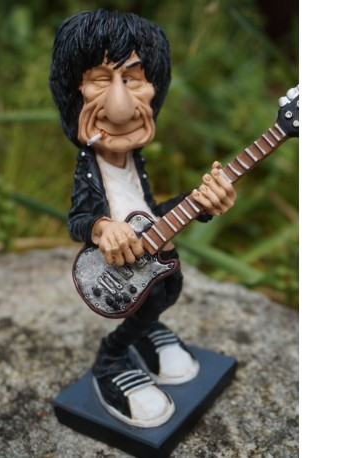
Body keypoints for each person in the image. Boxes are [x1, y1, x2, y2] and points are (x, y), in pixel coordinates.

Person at [49, 8, 236, 428]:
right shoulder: (90, 167)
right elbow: (78, 218)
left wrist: (199, 202)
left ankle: (145, 330)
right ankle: (112, 358)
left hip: (149, 262)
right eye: (100, 81)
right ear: (74, 91)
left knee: (166, 291)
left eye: (132, 79)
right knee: (152, 299)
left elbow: (149, 216)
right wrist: (102, 228)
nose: (119, 109)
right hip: (117, 269)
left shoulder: (135, 162)